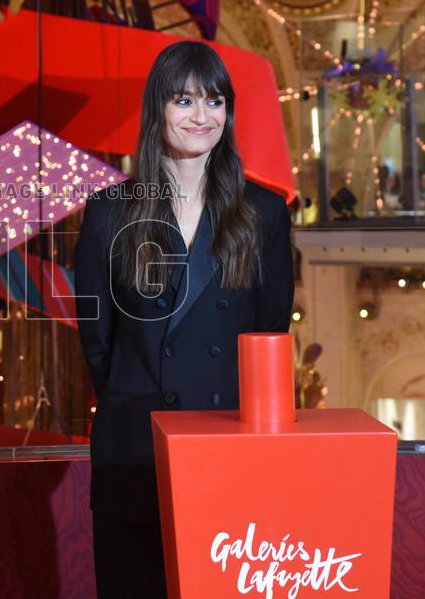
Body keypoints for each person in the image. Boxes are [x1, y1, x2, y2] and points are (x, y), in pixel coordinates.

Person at [73, 41, 293, 598]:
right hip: (135, 450)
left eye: (215, 101)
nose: (202, 116)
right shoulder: (110, 210)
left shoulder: (261, 211)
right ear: (158, 110)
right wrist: (137, 397)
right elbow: (97, 341)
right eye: (185, 100)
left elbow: (270, 332)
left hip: (228, 447)